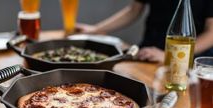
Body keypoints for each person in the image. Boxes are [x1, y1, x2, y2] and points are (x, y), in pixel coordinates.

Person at [76, 0, 213, 63]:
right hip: (148, 52)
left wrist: (169, 56)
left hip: (188, 61)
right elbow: (133, 10)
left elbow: (211, 33)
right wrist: (96, 29)